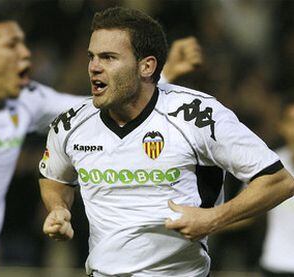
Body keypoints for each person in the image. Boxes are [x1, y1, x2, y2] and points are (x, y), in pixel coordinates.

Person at [0, 12, 201, 277]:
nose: (24, 52)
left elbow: (95, 107)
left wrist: (164, 74)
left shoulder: (26, 99)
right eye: (12, 44)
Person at [39, 7, 294, 277]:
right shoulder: (70, 124)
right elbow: (54, 177)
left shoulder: (198, 116)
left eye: (109, 57)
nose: (94, 67)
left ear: (146, 66)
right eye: (92, 57)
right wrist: (58, 208)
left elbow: (278, 181)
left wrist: (212, 219)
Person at [259, 99, 294, 277]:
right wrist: (209, 220)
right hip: (275, 265)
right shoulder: (269, 164)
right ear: (281, 126)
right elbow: (245, 210)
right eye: (292, 122)